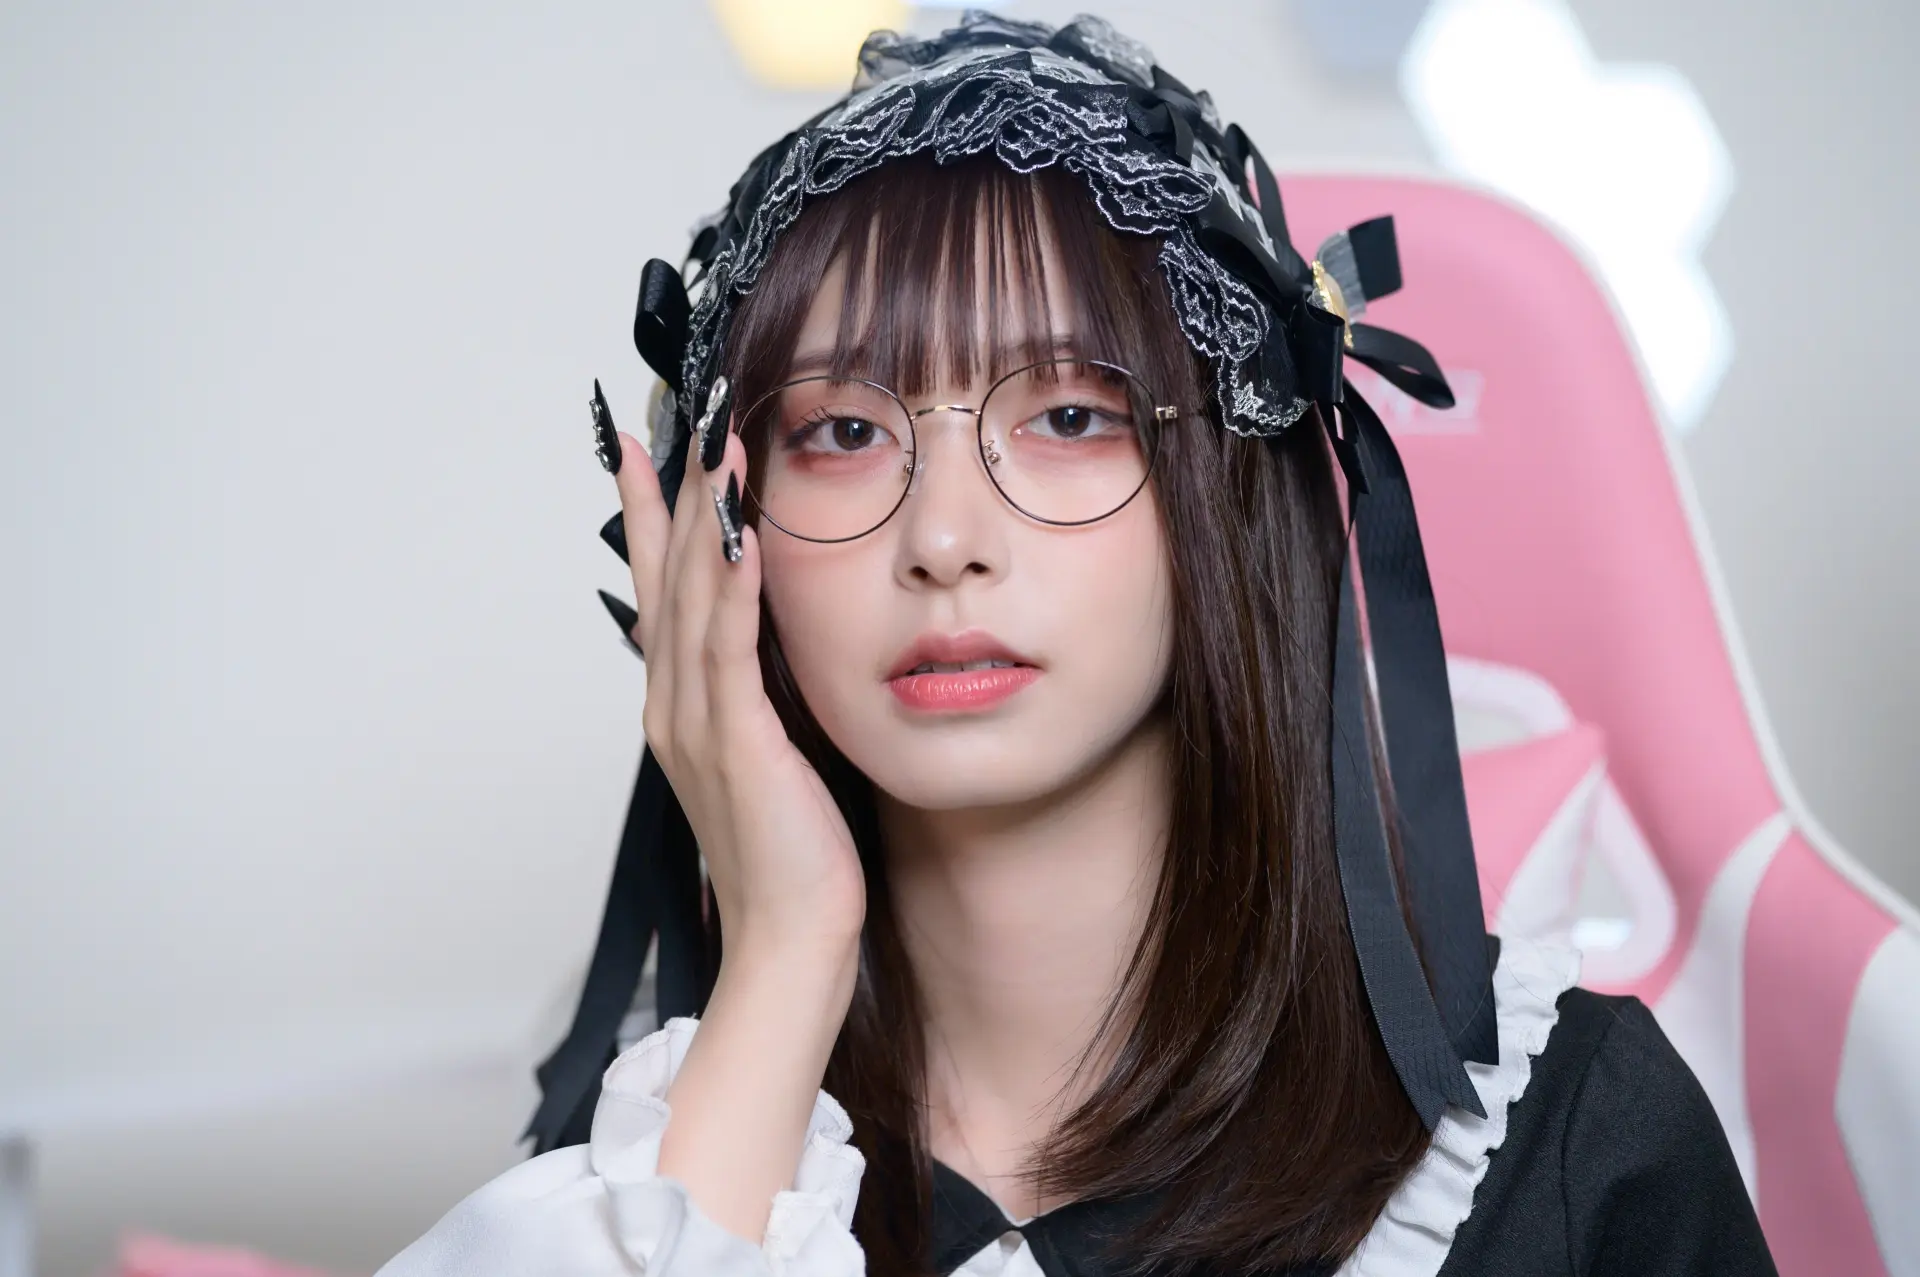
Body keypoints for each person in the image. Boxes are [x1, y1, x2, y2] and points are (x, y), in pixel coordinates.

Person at [378, 14, 1774, 1276]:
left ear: (1228, 492)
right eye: (845, 433)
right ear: (724, 528)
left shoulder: (1572, 1150)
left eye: (1068, 418)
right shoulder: (662, 1145)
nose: (945, 539)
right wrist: (789, 944)